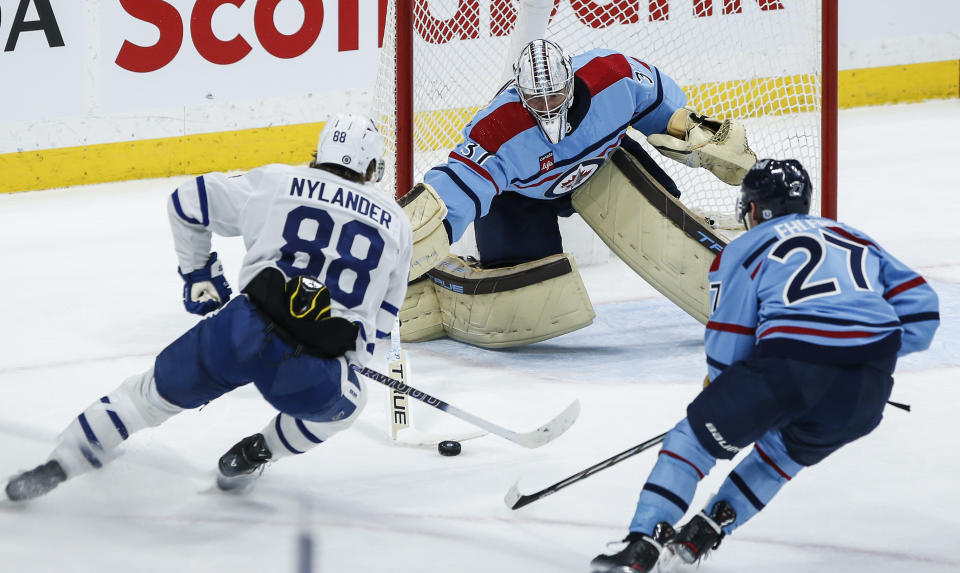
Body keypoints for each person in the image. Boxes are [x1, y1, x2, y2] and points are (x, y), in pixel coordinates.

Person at [4, 114, 412, 501]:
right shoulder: (397, 224)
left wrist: (198, 274)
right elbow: (380, 327)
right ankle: (256, 452)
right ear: (373, 168)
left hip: (239, 331)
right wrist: (353, 362)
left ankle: (61, 463)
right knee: (349, 405)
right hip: (310, 370)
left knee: (144, 398)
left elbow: (187, 200)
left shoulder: (278, 183)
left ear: (318, 152)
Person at [590, 158, 940, 571]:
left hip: (788, 373)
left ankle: (644, 543)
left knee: (693, 440)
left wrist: (729, 394)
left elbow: (730, 342)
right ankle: (703, 534)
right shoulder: (855, 236)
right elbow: (923, 313)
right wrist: (861, 355)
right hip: (867, 390)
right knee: (780, 454)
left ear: (752, 209)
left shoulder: (743, 248)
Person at [399, 38, 756, 348]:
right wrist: (407, 242)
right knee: (532, 297)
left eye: (554, 95)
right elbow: (455, 194)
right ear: (520, 95)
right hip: (522, 198)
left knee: (666, 221)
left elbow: (664, 111)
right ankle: (441, 289)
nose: (549, 107)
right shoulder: (497, 131)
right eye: (537, 101)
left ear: (571, 80)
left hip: (603, 166)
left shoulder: (615, 76)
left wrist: (695, 133)